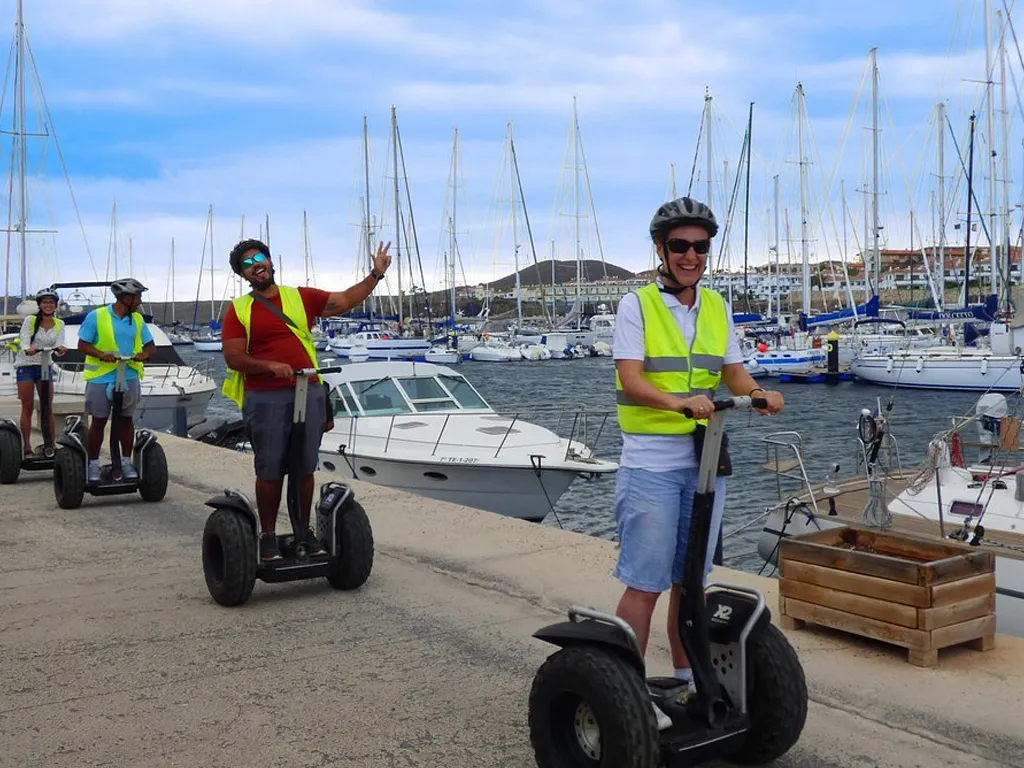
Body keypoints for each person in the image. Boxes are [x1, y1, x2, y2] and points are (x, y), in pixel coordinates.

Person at [612, 196, 785, 729]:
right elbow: (631, 378)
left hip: (704, 460)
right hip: (651, 462)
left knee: (693, 581)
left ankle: (690, 681)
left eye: (700, 246)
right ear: (661, 250)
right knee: (646, 580)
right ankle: (626, 690)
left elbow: (732, 371)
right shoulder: (636, 306)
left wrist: (758, 391)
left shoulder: (715, 306)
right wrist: (679, 403)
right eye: (680, 246)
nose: (691, 255)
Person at [220, 237, 392, 563]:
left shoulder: (300, 297)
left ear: (271, 261)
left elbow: (342, 301)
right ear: (243, 275)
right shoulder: (239, 310)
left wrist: (375, 275)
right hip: (266, 397)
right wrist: (268, 366)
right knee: (270, 467)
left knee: (304, 466)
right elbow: (233, 357)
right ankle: (268, 536)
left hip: (308, 390)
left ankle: (302, 533)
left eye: (260, 258)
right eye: (247, 263)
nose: (256, 264)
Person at [77, 278, 157, 483]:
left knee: (125, 421)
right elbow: (82, 344)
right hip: (101, 377)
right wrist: (101, 354)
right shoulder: (97, 316)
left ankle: (125, 461)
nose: (139, 302)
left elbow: (150, 346)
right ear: (125, 298)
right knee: (99, 421)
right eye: (137, 297)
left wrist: (143, 355)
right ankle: (93, 463)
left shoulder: (137, 319)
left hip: (128, 374)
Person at [14, 288, 68, 457]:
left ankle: (50, 445)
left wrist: (61, 350)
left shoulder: (60, 323)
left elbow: (59, 343)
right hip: (27, 366)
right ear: (39, 304)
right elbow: (24, 338)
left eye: (51, 302)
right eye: (45, 302)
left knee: (47, 407)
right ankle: (27, 447)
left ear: (55, 305)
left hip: (45, 365)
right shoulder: (31, 320)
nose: (48, 305)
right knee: (27, 406)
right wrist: (27, 349)